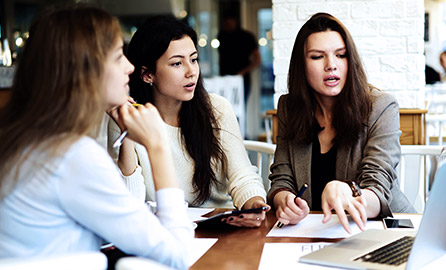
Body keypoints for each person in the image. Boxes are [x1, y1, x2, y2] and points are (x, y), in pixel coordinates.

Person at [0, 5, 193, 269]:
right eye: (117, 57)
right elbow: (178, 255)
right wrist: (157, 145)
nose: (129, 66)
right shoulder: (72, 155)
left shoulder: (25, 141)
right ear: (83, 71)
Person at [108, 15, 269, 227]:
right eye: (177, 63)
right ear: (147, 74)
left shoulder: (217, 109)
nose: (191, 71)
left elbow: (242, 174)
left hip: (222, 230)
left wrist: (254, 203)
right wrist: (127, 133)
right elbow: (130, 205)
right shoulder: (128, 117)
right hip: (166, 232)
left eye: (193, 59)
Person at [267, 12, 415, 234]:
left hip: (381, 231)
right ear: (302, 65)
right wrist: (285, 200)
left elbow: (378, 188)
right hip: (314, 233)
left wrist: (347, 191)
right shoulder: (289, 107)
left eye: (341, 55)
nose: (331, 65)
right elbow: (281, 178)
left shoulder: (381, 107)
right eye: (317, 57)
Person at [217, 11, 261, 102]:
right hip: (224, 79)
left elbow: (257, 59)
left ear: (235, 21)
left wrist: (242, 73)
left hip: (242, 79)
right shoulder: (221, 36)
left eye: (229, 22)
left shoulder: (247, 36)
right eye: (225, 23)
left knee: (240, 108)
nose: (228, 25)